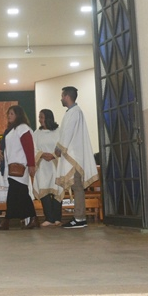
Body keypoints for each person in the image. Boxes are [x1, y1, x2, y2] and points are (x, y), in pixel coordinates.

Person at [55, 86, 98, 229]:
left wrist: (60, 147)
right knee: (76, 187)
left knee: (77, 187)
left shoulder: (75, 112)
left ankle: (80, 218)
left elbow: (68, 132)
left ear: (67, 96)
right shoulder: (72, 112)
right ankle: (79, 217)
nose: (61, 99)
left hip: (74, 157)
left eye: (62, 96)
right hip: (72, 155)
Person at [0, 105, 37, 230]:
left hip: (20, 166)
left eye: (12, 114)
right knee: (21, 194)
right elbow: (2, 145)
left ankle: (7, 219)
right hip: (12, 167)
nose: (9, 116)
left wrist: (31, 164)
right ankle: (33, 218)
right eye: (8, 114)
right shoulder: (11, 130)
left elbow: (29, 148)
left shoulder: (23, 128)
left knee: (14, 194)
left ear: (18, 115)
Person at [33, 109, 64, 227]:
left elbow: (62, 145)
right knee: (44, 191)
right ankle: (49, 218)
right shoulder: (37, 133)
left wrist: (54, 154)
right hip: (42, 166)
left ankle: (57, 218)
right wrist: (41, 154)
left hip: (56, 164)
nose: (40, 120)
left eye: (41, 117)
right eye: (39, 117)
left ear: (48, 118)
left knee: (57, 190)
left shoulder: (58, 131)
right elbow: (33, 148)